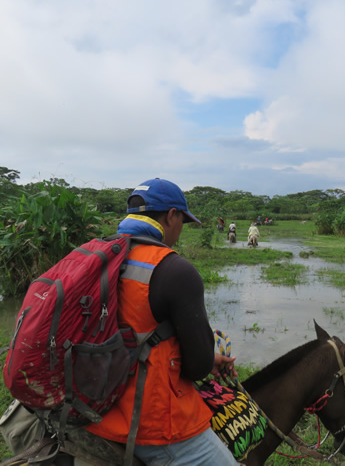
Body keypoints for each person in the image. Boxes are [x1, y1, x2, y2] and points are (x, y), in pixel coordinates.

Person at [85, 178, 239, 465]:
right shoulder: (175, 269)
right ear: (171, 215)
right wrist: (207, 359)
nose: (180, 230)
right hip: (148, 423)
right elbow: (197, 367)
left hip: (89, 404)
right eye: (182, 221)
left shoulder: (95, 253)